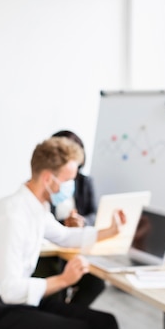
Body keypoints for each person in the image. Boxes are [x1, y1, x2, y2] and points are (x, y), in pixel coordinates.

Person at [0, 136, 132, 329]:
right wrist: (64, 280)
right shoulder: (12, 217)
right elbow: (11, 291)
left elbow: (64, 236)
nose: (72, 187)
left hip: (19, 300)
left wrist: (110, 230)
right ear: (48, 178)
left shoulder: (36, 207)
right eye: (69, 180)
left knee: (106, 323)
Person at [34, 130, 105, 306]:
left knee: (96, 283)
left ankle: (71, 313)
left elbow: (94, 214)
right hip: (51, 251)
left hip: (74, 246)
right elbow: (53, 230)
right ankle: (61, 315)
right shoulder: (41, 192)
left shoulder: (85, 182)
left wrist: (81, 222)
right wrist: (64, 225)